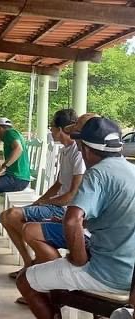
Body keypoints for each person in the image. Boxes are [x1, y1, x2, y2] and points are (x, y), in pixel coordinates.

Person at [17, 117, 135, 319]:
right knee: (54, 273)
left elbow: (72, 220)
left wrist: (78, 259)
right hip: (131, 273)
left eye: (80, 147)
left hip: (108, 274)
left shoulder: (97, 174)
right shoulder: (131, 170)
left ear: (86, 149)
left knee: (25, 281)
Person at [0, 109, 85, 275]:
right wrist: (40, 200)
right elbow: (59, 183)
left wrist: (45, 202)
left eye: (52, 127)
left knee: (11, 216)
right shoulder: (65, 151)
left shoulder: (78, 153)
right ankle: (29, 262)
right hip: (57, 204)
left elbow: (71, 195)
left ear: (61, 129)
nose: (50, 131)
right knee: (7, 216)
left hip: (66, 209)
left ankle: (41, 259)